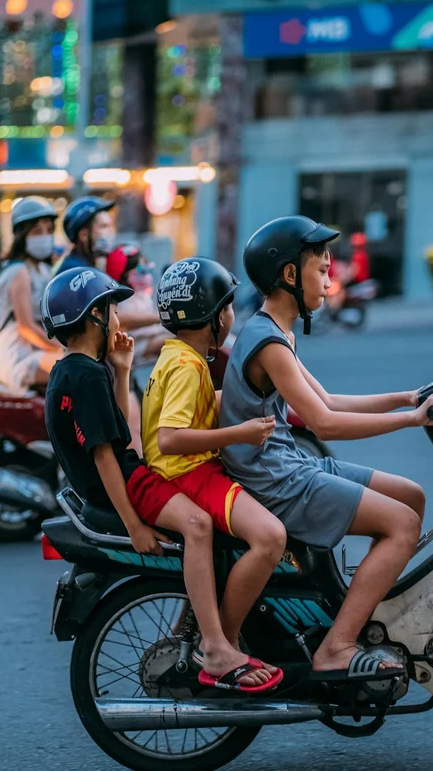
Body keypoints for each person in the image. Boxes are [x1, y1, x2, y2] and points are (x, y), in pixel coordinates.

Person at [218, 215, 433, 680]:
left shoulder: (273, 330)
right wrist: (412, 420)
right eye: (322, 271)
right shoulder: (269, 342)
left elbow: (326, 399)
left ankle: (356, 603)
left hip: (288, 463)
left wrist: (409, 397)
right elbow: (325, 421)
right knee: (403, 526)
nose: (331, 280)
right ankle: (337, 646)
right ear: (290, 275)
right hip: (277, 482)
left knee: (412, 496)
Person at [42, 267, 281, 693]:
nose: (118, 317)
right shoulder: (86, 376)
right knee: (198, 525)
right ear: (95, 316)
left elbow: (117, 430)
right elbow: (106, 456)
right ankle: (216, 645)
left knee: (202, 526)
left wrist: (121, 369)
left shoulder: (71, 372)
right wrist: (133, 525)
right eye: (112, 309)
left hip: (122, 477)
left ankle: (191, 634)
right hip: (128, 483)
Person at [142, 257, 287, 684]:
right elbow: (170, 437)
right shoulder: (188, 367)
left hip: (183, 470)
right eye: (227, 308)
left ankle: (204, 634)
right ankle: (220, 646)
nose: (231, 316)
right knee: (270, 536)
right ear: (212, 317)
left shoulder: (178, 355)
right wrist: (239, 433)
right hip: (187, 473)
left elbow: (201, 406)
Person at [57, 197, 158, 453]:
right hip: (92, 364)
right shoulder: (78, 274)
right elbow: (112, 318)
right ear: (83, 235)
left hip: (102, 360)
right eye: (102, 227)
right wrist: (161, 317)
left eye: (109, 226)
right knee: (130, 433)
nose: (109, 233)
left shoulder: (87, 267)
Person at [0, 197, 64, 393]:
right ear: (22, 235)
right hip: (18, 354)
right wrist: (61, 348)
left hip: (37, 350)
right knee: (78, 369)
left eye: (49, 230)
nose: (45, 236)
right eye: (37, 231)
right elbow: (25, 327)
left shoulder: (43, 269)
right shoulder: (19, 272)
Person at [57, 196, 118, 275]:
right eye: (104, 226)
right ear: (83, 235)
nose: (111, 231)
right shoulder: (77, 272)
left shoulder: (85, 265)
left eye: (111, 225)